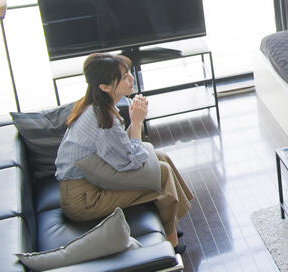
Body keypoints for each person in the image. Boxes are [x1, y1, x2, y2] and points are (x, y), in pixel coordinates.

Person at [55, 53, 193, 253]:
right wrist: (136, 122)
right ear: (104, 87)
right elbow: (131, 161)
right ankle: (170, 242)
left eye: (129, 73)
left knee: (161, 157)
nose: (131, 79)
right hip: (84, 199)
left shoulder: (100, 107)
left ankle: (171, 220)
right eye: (124, 77)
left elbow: (122, 147)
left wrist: (134, 120)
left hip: (94, 179)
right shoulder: (102, 119)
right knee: (161, 174)